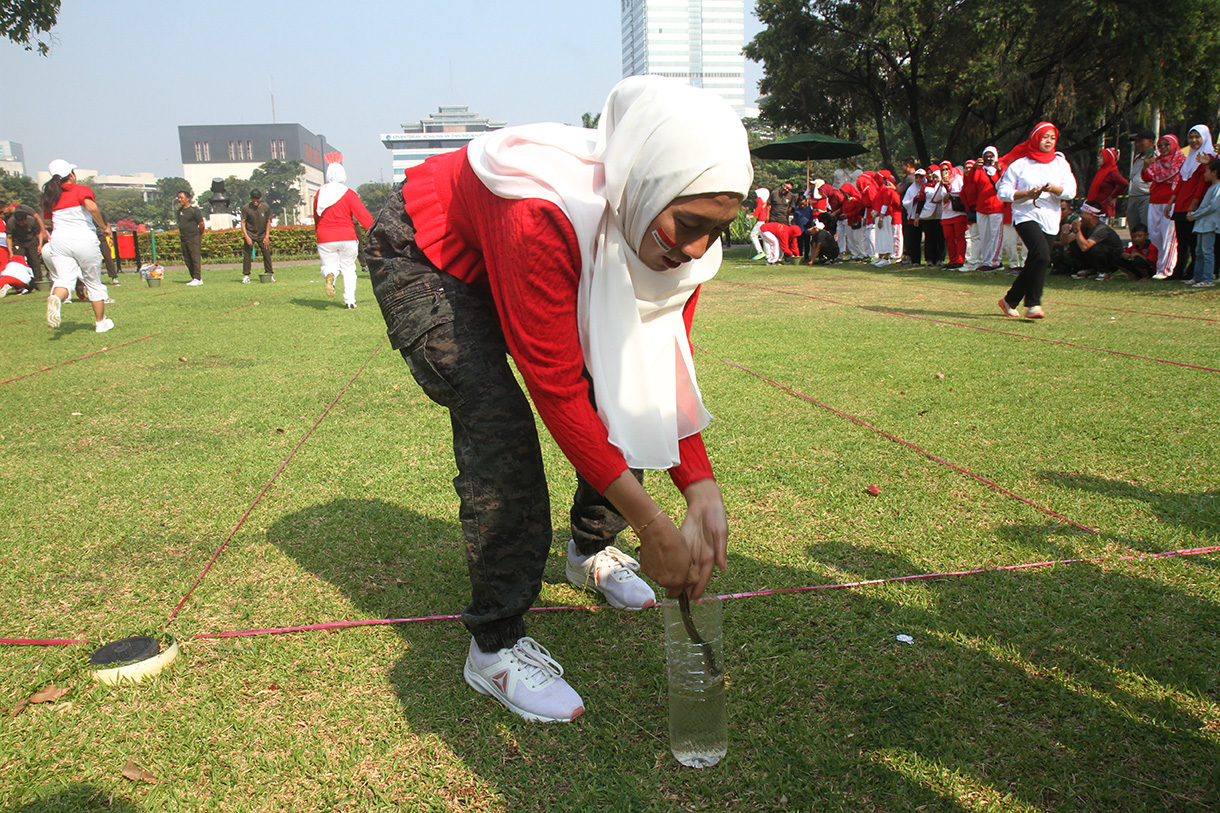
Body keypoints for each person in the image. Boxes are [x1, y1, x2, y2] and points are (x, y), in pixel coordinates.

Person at [364, 76, 742, 723]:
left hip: (513, 251)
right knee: (499, 424)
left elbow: (658, 374)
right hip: (430, 254)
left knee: (624, 388)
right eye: (690, 225)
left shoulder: (678, 246)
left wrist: (700, 485)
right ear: (647, 187)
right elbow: (558, 393)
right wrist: (653, 522)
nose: (698, 249)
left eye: (719, 229)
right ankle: (496, 645)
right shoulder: (540, 210)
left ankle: (590, 546)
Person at [996, 122, 1078, 319]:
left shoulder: (1060, 163)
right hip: (1025, 215)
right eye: (1044, 137)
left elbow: (1071, 190)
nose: (1048, 141)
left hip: (1050, 218)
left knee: (1037, 259)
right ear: (1035, 138)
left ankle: (1010, 300)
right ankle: (1033, 303)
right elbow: (1003, 192)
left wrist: (1054, 189)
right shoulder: (1020, 164)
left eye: (1052, 137)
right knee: (1041, 255)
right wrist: (1026, 193)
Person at [41, 159, 114, 333]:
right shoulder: (81, 190)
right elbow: (92, 207)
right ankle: (100, 322)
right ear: (71, 174)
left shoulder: (50, 196)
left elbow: (46, 221)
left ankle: (56, 298)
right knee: (93, 282)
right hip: (83, 239)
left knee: (64, 279)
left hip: (58, 241)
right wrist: (103, 227)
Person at [313, 162, 374, 309]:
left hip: (325, 236)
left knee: (329, 265)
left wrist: (318, 231)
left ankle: (330, 276)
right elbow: (363, 215)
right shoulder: (349, 193)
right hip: (347, 236)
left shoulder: (320, 193)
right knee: (348, 269)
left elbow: (316, 215)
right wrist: (374, 230)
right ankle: (350, 301)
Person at [1171, 125, 1216, 281]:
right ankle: (1178, 272)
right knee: (1182, 242)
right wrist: (1172, 202)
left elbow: (1202, 185)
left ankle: (1195, 273)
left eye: (1198, 137)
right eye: (1191, 137)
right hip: (1181, 205)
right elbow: (1181, 182)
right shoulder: (1190, 157)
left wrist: (1193, 205)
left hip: (1194, 206)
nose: (1194, 140)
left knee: (1195, 244)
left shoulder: (1209, 158)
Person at [1141, 135, 1183, 279]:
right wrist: (1146, 165)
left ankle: (1166, 270)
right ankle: (1159, 266)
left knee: (1168, 237)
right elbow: (1147, 178)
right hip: (1155, 200)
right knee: (1155, 235)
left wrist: (1173, 201)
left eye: (1167, 145)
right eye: (1161, 145)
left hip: (1170, 201)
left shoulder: (1180, 161)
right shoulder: (1156, 162)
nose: (1163, 148)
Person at [964, 147, 1004, 271]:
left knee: (995, 236)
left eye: (991, 156)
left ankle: (995, 262)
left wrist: (999, 170)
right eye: (986, 155)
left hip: (996, 207)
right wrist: (975, 167)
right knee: (984, 236)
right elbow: (972, 182)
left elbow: (1006, 183)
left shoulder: (1000, 170)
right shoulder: (980, 170)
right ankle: (986, 261)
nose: (988, 158)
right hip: (981, 208)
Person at [1064, 202, 1123, 280]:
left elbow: (1085, 247)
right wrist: (1064, 231)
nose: (1080, 216)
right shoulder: (1085, 226)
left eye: (1082, 214)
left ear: (1090, 215)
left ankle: (1105, 272)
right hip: (1095, 258)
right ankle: (1087, 269)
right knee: (1075, 242)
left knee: (1095, 247)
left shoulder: (1102, 229)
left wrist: (1077, 229)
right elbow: (1065, 241)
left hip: (1112, 260)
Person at [1185, 157, 1220, 288]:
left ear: (1214, 173)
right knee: (1198, 252)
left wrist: (1195, 215)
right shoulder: (1212, 187)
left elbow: (1212, 207)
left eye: (1207, 171)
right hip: (1202, 224)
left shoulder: (1218, 187)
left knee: (1207, 252)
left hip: (1210, 224)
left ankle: (1208, 278)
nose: (1205, 174)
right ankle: (1197, 277)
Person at [3, 201, 48, 283]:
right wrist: (10, 251)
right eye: (19, 222)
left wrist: (39, 245)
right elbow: (9, 237)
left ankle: (38, 281)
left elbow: (39, 232)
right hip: (18, 242)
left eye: (23, 222)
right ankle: (21, 280)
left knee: (34, 261)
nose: (21, 224)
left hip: (31, 241)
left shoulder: (32, 220)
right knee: (19, 261)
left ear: (26, 218)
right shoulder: (11, 223)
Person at [935, 160, 967, 269]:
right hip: (946, 214)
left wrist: (950, 193)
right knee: (949, 237)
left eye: (947, 169)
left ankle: (960, 259)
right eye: (943, 170)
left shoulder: (957, 178)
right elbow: (935, 198)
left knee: (959, 236)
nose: (945, 171)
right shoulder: (941, 182)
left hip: (958, 212)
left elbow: (963, 191)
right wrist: (941, 185)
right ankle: (952, 260)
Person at [239, 189, 275, 283]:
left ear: (260, 198)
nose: (255, 200)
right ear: (251, 198)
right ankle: (246, 275)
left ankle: (269, 274)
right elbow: (243, 223)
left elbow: (268, 222)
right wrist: (247, 237)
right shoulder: (246, 208)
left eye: (257, 198)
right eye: (253, 198)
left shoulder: (265, 207)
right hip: (250, 233)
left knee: (266, 253)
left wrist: (267, 236)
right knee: (247, 254)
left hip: (262, 234)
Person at [1086, 148, 1129, 222]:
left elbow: (1124, 183)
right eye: (1098, 156)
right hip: (1095, 207)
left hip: (1103, 209)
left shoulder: (1112, 172)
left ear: (1108, 158)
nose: (1098, 159)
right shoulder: (1101, 171)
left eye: (1102, 156)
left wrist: (1113, 195)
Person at [1125, 129, 1156, 231]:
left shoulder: (1156, 157)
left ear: (1150, 141)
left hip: (1146, 196)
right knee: (1134, 228)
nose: (1138, 144)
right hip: (1134, 196)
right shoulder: (1137, 157)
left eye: (1141, 141)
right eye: (1137, 142)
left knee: (1145, 228)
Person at [176, 190, 206, 286]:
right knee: (187, 259)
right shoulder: (179, 211)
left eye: (182, 197)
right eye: (179, 198)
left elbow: (201, 224)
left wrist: (199, 235)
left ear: (187, 198)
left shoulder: (194, 211)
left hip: (193, 237)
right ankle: (194, 277)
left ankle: (198, 278)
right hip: (184, 238)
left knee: (195, 258)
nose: (180, 199)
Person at [747, 187, 769, 259]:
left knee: (753, 235)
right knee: (764, 237)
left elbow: (758, 208)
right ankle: (768, 254)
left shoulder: (760, 199)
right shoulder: (766, 201)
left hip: (761, 219)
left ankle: (760, 252)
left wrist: (753, 215)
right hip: (765, 219)